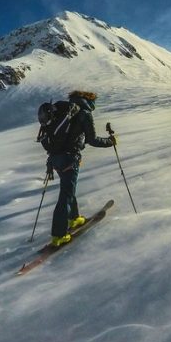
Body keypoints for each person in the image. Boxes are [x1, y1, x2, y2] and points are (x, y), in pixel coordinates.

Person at [49, 90, 115, 247]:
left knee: (67, 188)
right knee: (65, 194)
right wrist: (110, 142)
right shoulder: (84, 113)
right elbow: (92, 140)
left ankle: (74, 218)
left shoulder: (65, 110)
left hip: (55, 159)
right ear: (90, 100)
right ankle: (58, 235)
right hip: (69, 159)